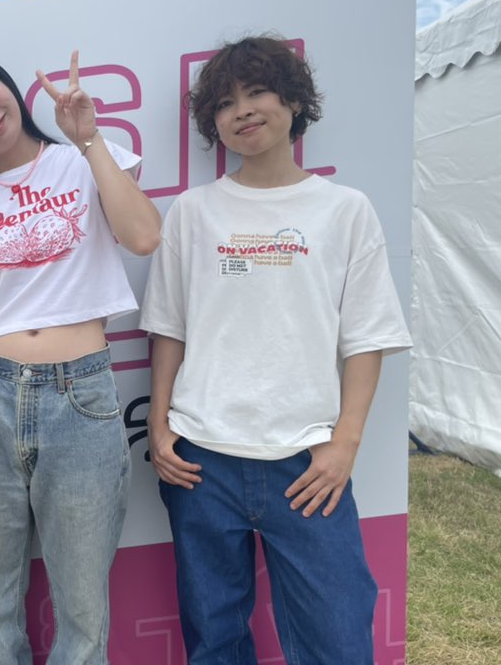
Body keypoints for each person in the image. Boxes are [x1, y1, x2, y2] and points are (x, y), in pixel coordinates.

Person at [140, 35, 412, 663]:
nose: (242, 110)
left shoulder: (345, 210)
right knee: (215, 639)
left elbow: (368, 337)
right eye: (224, 103)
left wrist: (344, 445)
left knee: (338, 639)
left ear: (293, 101)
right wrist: (159, 425)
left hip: (307, 462)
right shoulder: (192, 212)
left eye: (257, 92)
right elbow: (169, 328)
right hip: (201, 459)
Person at [0, 45, 161, 664]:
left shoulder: (84, 161)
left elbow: (144, 236)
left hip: (81, 397)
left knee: (83, 608)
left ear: (6, 83)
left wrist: (89, 138)